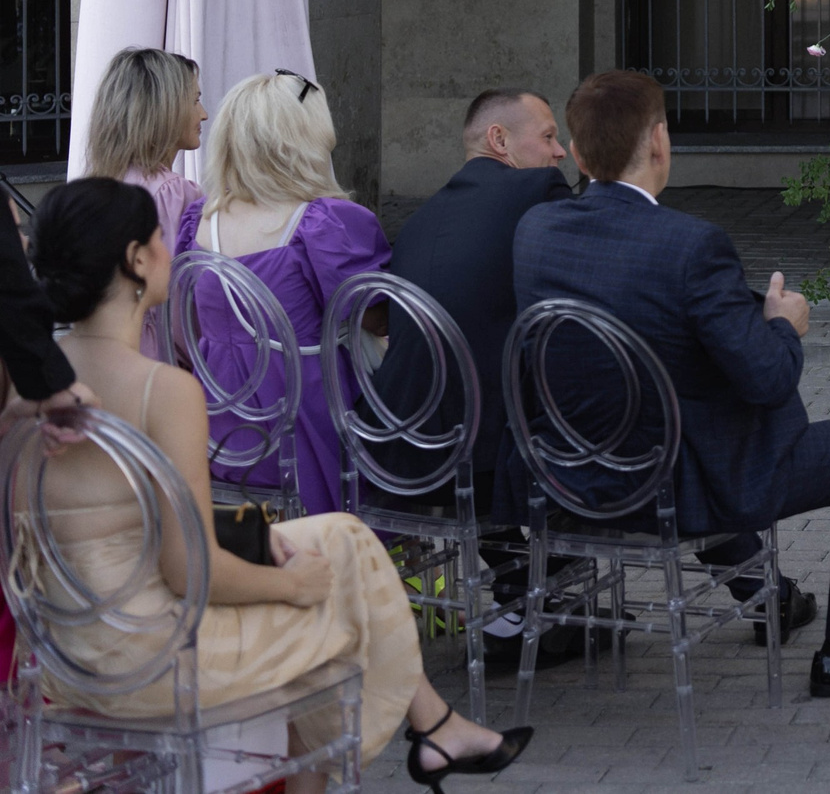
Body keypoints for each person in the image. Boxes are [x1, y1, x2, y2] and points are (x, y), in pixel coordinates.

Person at [24, 177, 532, 788]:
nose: (170, 249)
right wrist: (290, 585)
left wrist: (254, 538)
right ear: (137, 260)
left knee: (343, 537)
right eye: (161, 238)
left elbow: (115, 521)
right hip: (146, 654)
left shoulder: (27, 386)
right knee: (340, 625)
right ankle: (426, 734)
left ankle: (438, 728)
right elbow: (191, 570)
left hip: (60, 644)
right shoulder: (163, 389)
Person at [510, 70, 830, 700]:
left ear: (576, 152)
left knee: (694, 419)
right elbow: (766, 380)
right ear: (660, 141)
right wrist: (783, 326)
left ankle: (777, 601)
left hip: (569, 481)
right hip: (675, 491)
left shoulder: (536, 232)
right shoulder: (691, 245)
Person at [375, 88, 573, 668]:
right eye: (548, 136)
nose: (560, 152)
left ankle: (529, 607)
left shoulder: (417, 220)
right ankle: (528, 603)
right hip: (493, 471)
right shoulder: (535, 190)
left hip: (403, 459)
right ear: (499, 140)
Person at [173, 70, 391, 516]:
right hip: (307, 428)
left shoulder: (200, 221)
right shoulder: (323, 222)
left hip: (217, 429)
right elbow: (377, 315)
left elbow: (188, 325)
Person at [84, 46, 208, 243]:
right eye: (195, 101)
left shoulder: (101, 184)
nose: (204, 114)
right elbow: (183, 270)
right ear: (165, 109)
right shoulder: (172, 193)